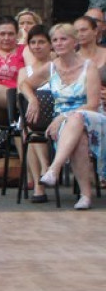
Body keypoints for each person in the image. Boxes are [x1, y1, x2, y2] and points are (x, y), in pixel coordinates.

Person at [21, 23, 106, 210]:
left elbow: (93, 104)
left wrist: (63, 117)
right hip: (66, 124)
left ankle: (54, 168)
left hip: (92, 117)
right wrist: (33, 99)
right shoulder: (51, 67)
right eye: (55, 40)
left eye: (63, 39)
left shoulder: (89, 67)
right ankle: (85, 195)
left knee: (77, 117)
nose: (58, 43)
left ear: (74, 42)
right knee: (80, 140)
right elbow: (25, 84)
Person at [15, 25, 52, 203]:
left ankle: (42, 178)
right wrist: (33, 100)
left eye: (41, 42)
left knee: (30, 125)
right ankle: (42, 175)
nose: (37, 46)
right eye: (33, 42)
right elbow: (20, 97)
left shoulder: (58, 66)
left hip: (56, 114)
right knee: (29, 124)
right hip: (33, 116)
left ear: (50, 44)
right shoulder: (24, 71)